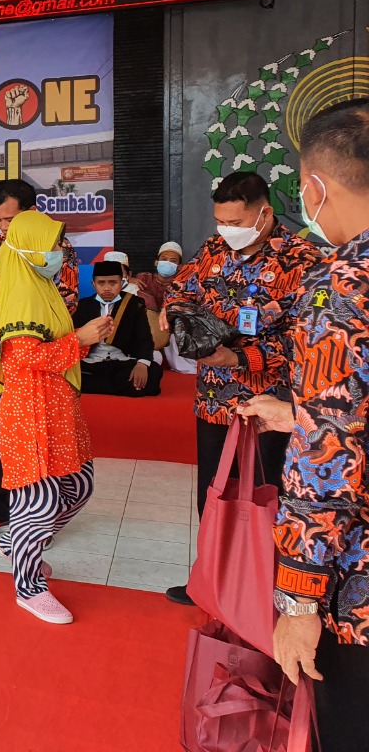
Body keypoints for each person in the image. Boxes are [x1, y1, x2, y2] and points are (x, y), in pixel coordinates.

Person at [236, 98, 369, 752]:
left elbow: (328, 458)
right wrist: (302, 411)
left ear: (314, 189)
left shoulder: (347, 285)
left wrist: (299, 603)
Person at [161, 170, 323, 606]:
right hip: (214, 400)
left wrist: (240, 359)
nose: (227, 230)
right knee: (215, 494)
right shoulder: (214, 249)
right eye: (220, 221)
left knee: (265, 500)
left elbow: (307, 340)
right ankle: (211, 582)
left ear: (264, 213)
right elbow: (181, 288)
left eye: (235, 222)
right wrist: (174, 310)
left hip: (270, 407)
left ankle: (260, 592)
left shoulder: (301, 261)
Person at [0, 211, 112, 623]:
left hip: (56, 406)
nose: (60, 251)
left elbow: (56, 348)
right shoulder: (22, 294)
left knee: (78, 485)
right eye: (52, 245)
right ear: (28, 250)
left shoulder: (42, 288)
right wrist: (80, 338)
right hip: (29, 411)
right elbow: (25, 358)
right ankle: (28, 586)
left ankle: (16, 541)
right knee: (39, 503)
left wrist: (85, 338)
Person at [0, 179, 79, 538]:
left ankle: (43, 517)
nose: (2, 228)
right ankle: (2, 510)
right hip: (1, 362)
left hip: (44, 364)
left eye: (9, 220)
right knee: (2, 442)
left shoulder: (54, 247)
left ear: (31, 212)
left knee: (44, 443)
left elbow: (66, 300)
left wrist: (7, 313)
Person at [73, 261, 161, 397]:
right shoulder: (83, 305)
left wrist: (142, 364)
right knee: (68, 373)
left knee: (153, 371)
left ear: (121, 283)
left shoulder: (134, 304)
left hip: (121, 362)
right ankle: (120, 387)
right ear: (93, 284)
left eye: (113, 283)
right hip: (90, 363)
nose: (107, 288)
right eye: (101, 283)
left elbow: (144, 339)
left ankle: (92, 386)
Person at [132, 242, 184, 357]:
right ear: (156, 262)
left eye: (173, 261)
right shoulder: (143, 279)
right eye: (164, 259)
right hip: (146, 332)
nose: (167, 263)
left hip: (172, 334)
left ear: (179, 267)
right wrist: (127, 280)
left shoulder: (182, 285)